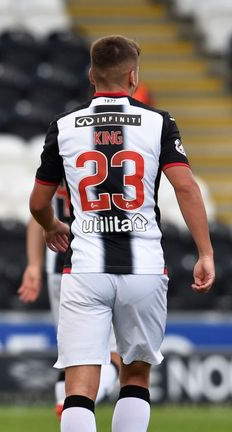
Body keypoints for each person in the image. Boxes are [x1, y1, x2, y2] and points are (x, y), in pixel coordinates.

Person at [29, 35, 215, 432]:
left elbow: (37, 202)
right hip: (144, 269)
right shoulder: (160, 122)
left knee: (80, 386)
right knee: (135, 376)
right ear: (133, 77)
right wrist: (206, 253)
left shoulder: (63, 127)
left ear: (92, 76)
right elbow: (185, 187)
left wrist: (51, 226)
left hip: (84, 269)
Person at [18, 185, 119, 419]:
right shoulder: (110, 154)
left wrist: (34, 265)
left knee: (72, 353)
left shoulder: (62, 151)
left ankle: (67, 404)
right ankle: (71, 404)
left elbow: (39, 210)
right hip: (105, 259)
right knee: (116, 356)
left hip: (60, 264)